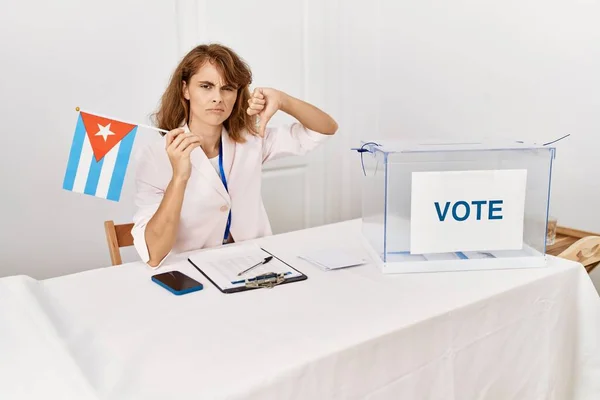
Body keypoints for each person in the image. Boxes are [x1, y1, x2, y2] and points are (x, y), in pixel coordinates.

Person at [131, 43, 338, 267]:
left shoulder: (251, 139)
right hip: (192, 271)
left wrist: (282, 100)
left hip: (255, 264)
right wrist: (179, 178)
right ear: (185, 90)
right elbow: (153, 254)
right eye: (206, 86)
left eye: (227, 88)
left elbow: (325, 129)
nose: (217, 98)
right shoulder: (154, 156)